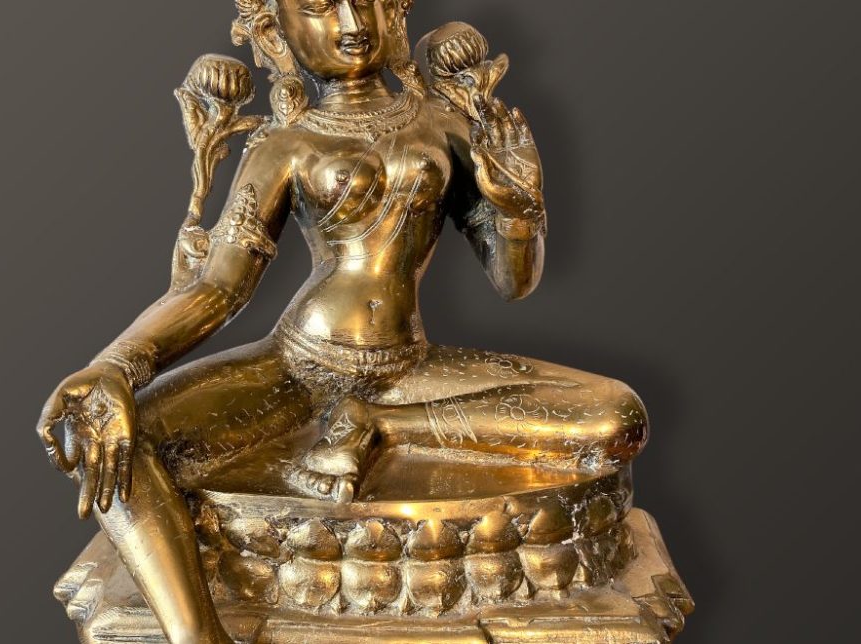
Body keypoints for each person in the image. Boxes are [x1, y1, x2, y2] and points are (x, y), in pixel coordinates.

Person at [36, 1, 647, 642]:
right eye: (321, 6)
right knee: (105, 433)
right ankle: (197, 634)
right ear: (276, 27)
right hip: (299, 366)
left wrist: (518, 207)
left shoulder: (443, 124)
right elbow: (218, 287)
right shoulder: (284, 146)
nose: (354, 22)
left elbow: (512, 282)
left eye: (370, 1)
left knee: (616, 418)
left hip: (407, 367)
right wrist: (114, 366)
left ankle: (377, 426)